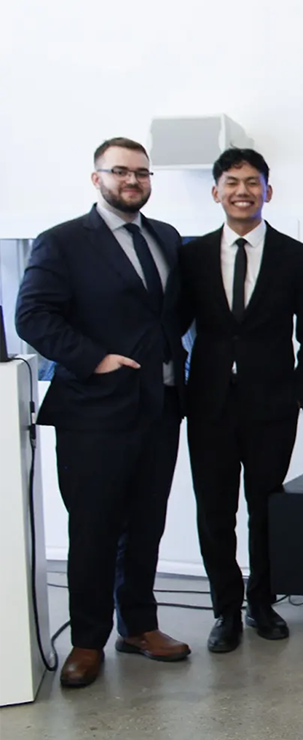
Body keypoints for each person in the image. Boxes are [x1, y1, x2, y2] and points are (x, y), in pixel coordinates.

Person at [16, 137, 191, 688]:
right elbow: (33, 317)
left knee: (146, 525)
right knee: (93, 529)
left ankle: (138, 626)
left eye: (141, 172)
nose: (132, 180)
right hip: (93, 411)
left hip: (160, 407)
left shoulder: (164, 237)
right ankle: (87, 641)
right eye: (120, 172)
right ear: (97, 179)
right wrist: (96, 360)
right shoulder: (63, 242)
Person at [179, 148, 303, 652]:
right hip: (209, 406)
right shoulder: (192, 256)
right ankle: (225, 610)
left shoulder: (293, 255)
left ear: (268, 190)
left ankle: (262, 603)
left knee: (265, 510)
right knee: (214, 512)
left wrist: (299, 393)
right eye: (232, 181)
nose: (242, 190)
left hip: (271, 408)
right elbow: (171, 328)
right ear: (216, 191)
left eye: (252, 181)